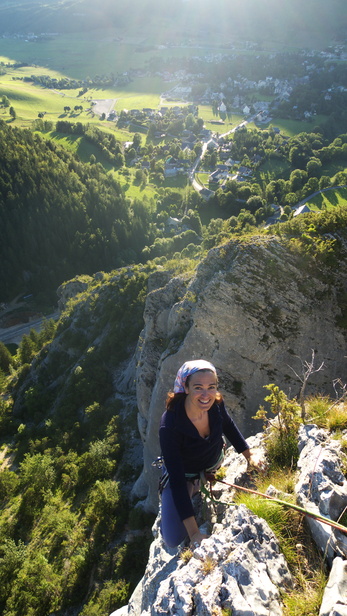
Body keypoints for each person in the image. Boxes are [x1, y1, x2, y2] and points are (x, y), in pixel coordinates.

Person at [159, 359, 261, 549]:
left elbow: (229, 427)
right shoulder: (171, 424)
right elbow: (177, 477)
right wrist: (194, 533)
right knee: (172, 539)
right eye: (198, 387)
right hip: (184, 474)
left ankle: (201, 481)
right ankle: (194, 487)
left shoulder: (215, 405)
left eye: (211, 387)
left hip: (211, 462)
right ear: (186, 388)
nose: (206, 395)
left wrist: (249, 455)